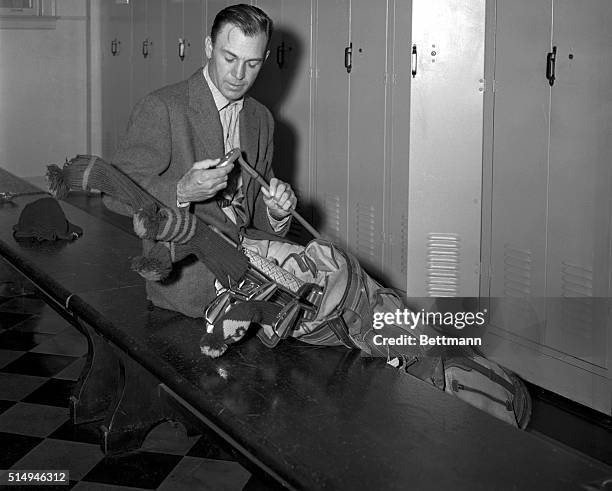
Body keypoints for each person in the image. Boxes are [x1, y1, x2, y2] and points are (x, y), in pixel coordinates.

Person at [110, 4, 297, 318]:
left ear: (264, 60)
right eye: (229, 58)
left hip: (251, 288)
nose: (239, 75)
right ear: (209, 47)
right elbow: (113, 194)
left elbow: (252, 218)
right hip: (186, 294)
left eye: (252, 63)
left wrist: (276, 213)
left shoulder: (260, 119)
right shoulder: (163, 107)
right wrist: (181, 192)